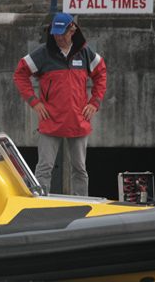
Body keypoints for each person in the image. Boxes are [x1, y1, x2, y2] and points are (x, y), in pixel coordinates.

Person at [13, 12, 107, 196]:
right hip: (51, 119)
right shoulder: (43, 53)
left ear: (72, 30)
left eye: (62, 33)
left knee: (79, 168)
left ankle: (83, 205)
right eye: (55, 33)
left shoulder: (85, 53)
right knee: (44, 167)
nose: (58, 37)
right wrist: (34, 103)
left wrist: (94, 102)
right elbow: (20, 74)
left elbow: (101, 73)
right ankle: (41, 205)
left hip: (78, 119)